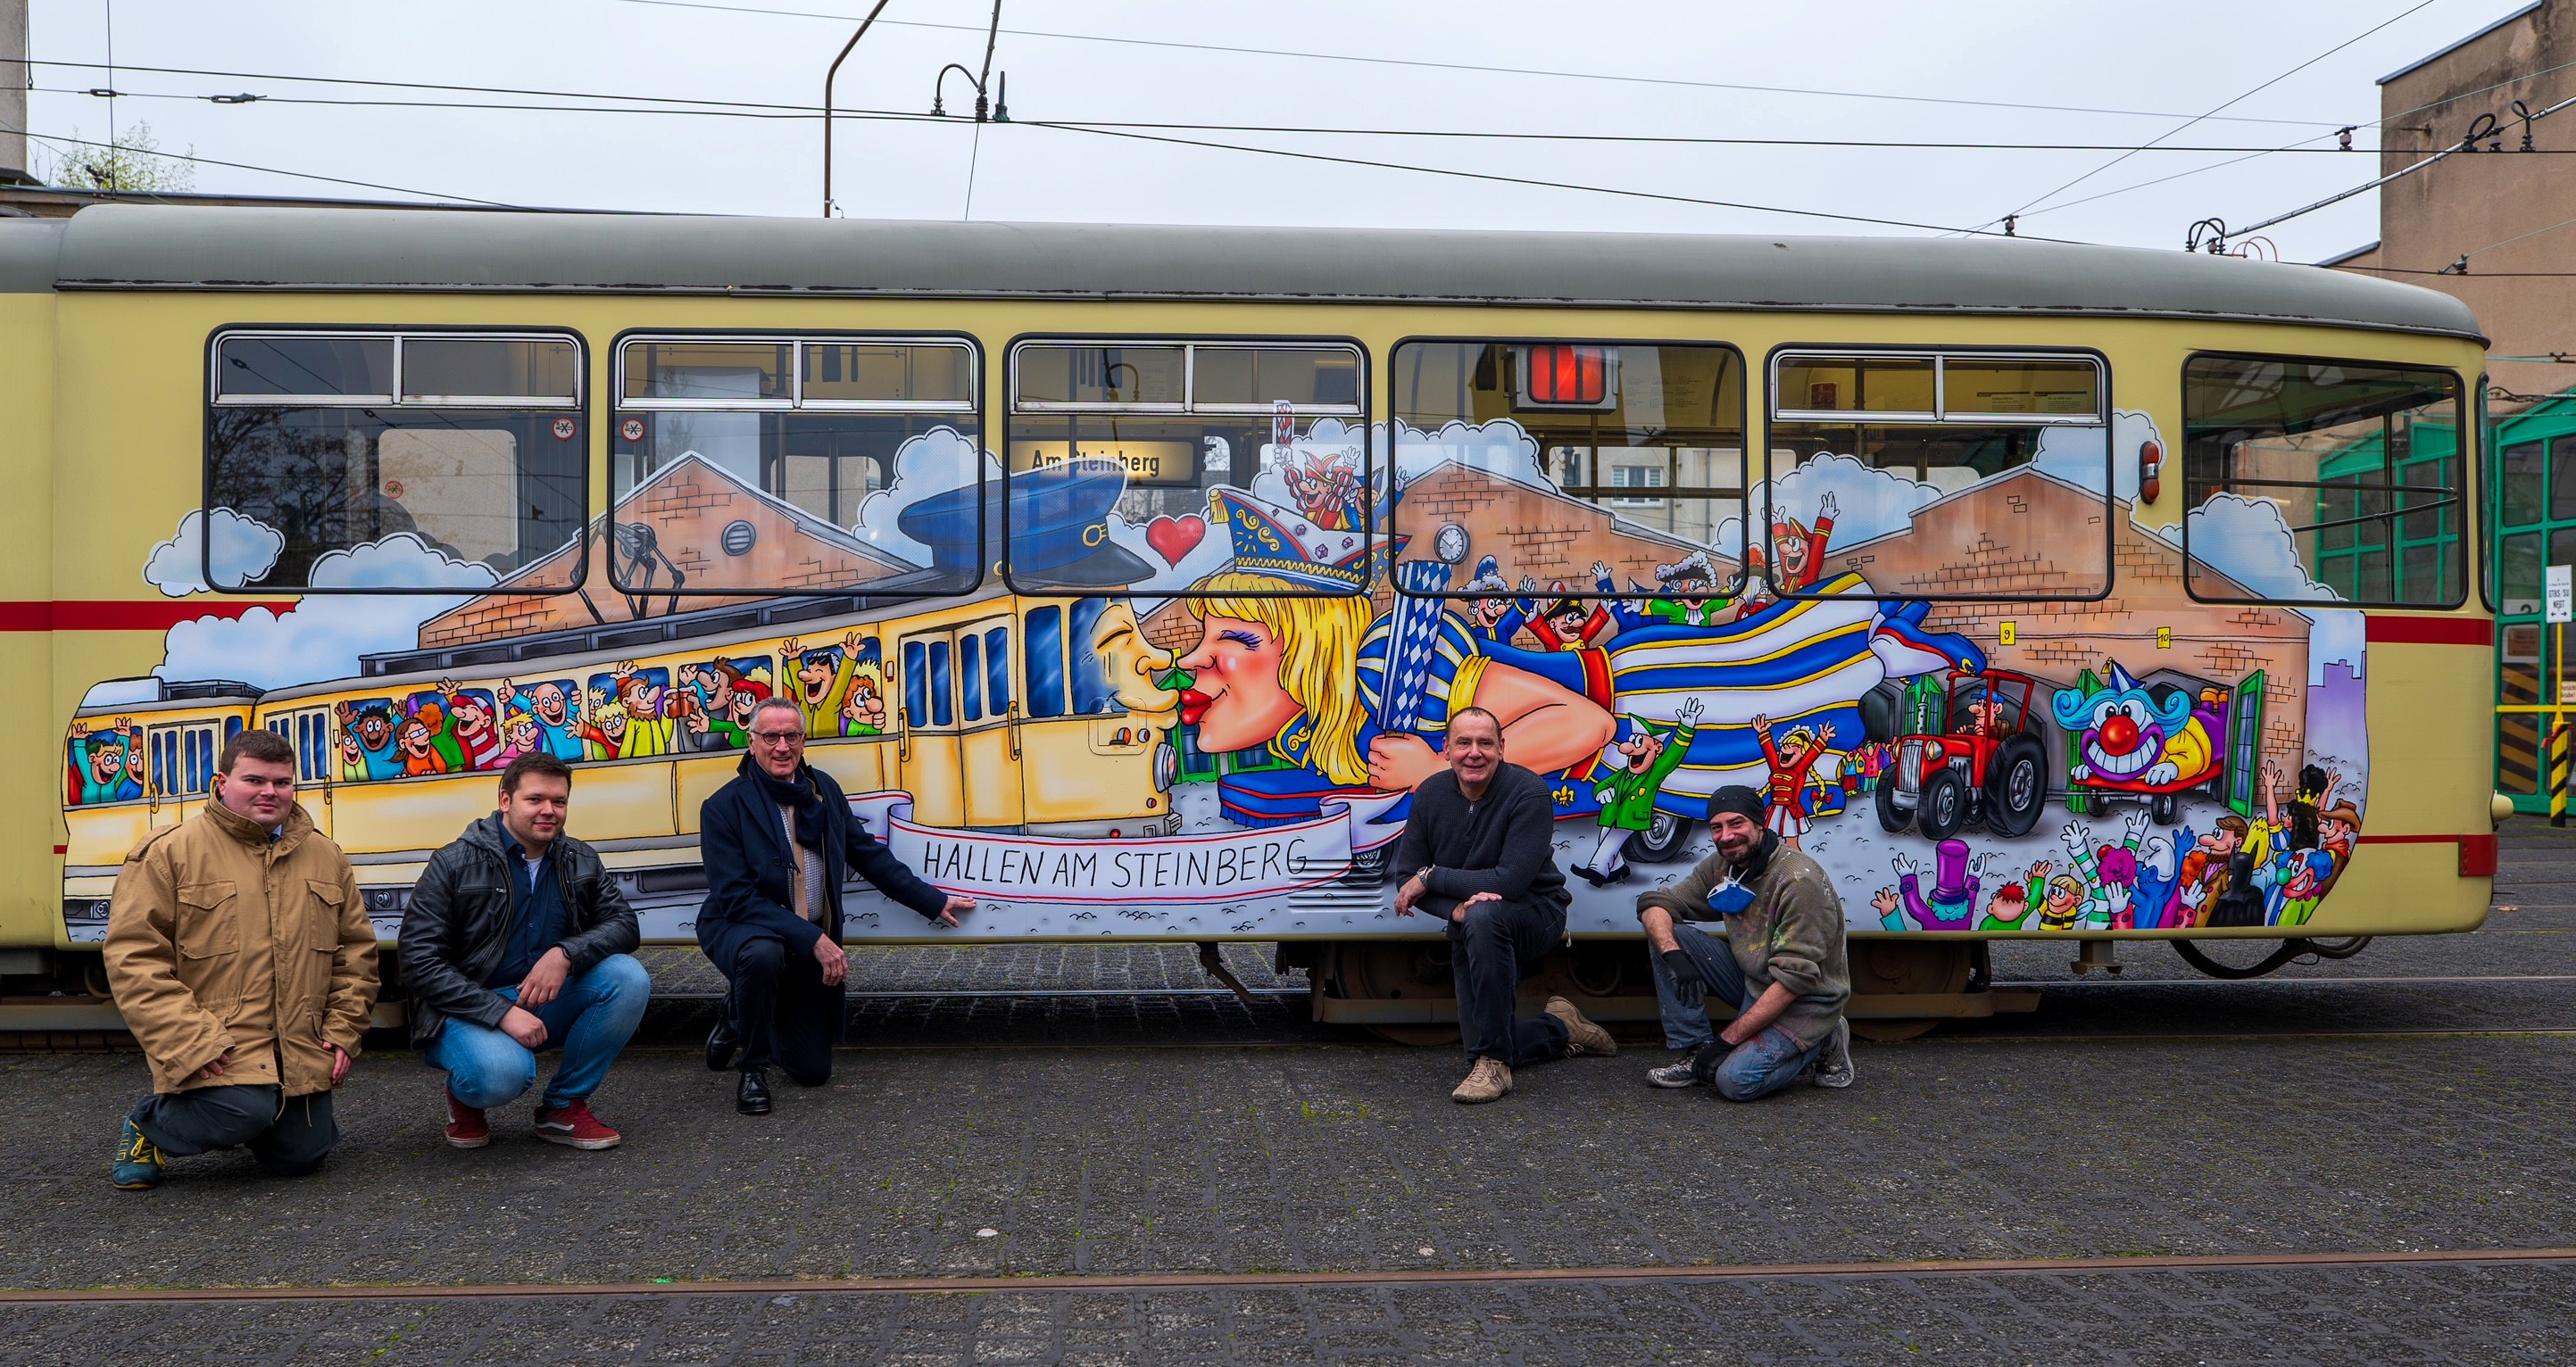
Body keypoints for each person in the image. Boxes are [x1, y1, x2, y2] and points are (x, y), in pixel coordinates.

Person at [102, 729, 378, 1189]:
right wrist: (189, 1041)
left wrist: (342, 1033)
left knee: (303, 1156)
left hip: (299, 1045)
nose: (271, 792)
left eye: (283, 782)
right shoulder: (169, 852)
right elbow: (134, 959)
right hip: (219, 1041)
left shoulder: (326, 857)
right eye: (255, 780)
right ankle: (148, 1127)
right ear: (222, 781)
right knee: (242, 1110)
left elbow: (357, 956)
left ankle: (263, 1115)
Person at [697, 698, 976, 1114]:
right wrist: (815, 939)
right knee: (763, 955)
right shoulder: (723, 807)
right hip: (744, 927)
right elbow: (736, 897)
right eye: (770, 736)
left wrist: (932, 901)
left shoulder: (822, 790)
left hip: (805, 938)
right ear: (751, 742)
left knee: (812, 1071)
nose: (781, 746)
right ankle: (752, 1068)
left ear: (804, 741)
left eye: (791, 736)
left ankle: (742, 1008)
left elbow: (866, 854)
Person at [401, 752, 647, 1151]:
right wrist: (500, 1012)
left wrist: (566, 954)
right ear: (505, 801)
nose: (549, 811)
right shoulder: (453, 863)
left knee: (627, 976)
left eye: (559, 801)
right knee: (500, 1076)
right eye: (535, 800)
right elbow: (418, 961)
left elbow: (624, 925)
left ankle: (563, 1108)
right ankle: (465, 1096)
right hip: (467, 1008)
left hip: (542, 997)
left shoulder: (579, 858)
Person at [1387, 707, 1616, 1104]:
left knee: (1484, 914)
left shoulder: (1528, 793)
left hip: (1538, 912)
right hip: (1474, 918)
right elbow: (1405, 876)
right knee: (1475, 923)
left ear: (1501, 748)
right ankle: (1558, 1028)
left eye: (1485, 743)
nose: (1474, 753)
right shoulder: (1430, 794)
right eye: (1463, 743)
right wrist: (1451, 909)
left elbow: (1508, 882)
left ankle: (1494, 1065)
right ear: (1446, 749)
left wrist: (1433, 878)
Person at [1633, 784, 1852, 1100]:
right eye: (1717, 827)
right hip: (1756, 980)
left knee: (1734, 1082)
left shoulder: (1798, 880)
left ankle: (1822, 1040)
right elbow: (1654, 902)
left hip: (1803, 999)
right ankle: (1694, 1050)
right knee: (1669, 936)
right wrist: (1673, 955)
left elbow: (1793, 981)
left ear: (1759, 825)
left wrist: (1725, 1042)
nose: (1726, 836)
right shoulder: (1724, 866)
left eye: (1737, 823)